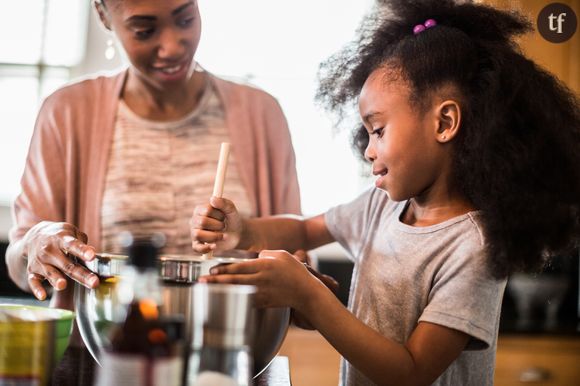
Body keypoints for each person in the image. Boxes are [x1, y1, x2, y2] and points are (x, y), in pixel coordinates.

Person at [190, 0, 580, 385]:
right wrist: (244, 232)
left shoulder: (473, 248)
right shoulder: (382, 206)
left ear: (445, 122)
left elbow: (410, 372)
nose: (368, 148)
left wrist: (312, 298)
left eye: (378, 130)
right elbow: (306, 231)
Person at [5, 0, 302, 383]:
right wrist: (35, 241)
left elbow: (294, 248)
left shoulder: (262, 114)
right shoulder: (66, 112)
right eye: (145, 30)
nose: (173, 46)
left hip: (230, 367)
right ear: (103, 15)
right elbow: (18, 261)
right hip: (103, 368)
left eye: (185, 18)